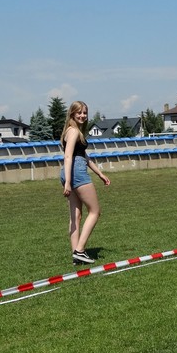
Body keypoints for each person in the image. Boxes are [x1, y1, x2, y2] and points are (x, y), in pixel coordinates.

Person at [59, 100, 110, 265]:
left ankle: (76, 255)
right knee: (95, 211)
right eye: (79, 112)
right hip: (76, 173)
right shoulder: (74, 131)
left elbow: (84, 156)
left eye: (85, 112)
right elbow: (68, 156)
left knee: (76, 216)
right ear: (72, 113)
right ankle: (80, 251)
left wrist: (100, 173)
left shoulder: (72, 131)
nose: (82, 115)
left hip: (71, 171)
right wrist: (68, 182)